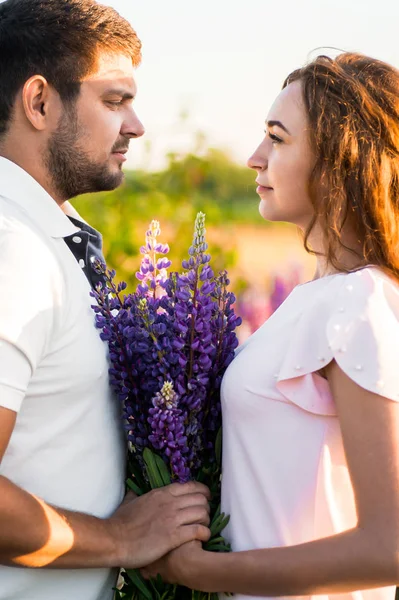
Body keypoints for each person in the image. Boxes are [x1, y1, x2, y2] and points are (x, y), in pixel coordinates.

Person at [141, 52, 399, 599]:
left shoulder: (359, 301)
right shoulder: (323, 296)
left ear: (339, 162)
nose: (255, 158)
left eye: (277, 139)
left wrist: (198, 570)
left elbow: (389, 546)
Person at [0, 1, 210, 599]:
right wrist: (119, 539)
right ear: (39, 102)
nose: (138, 125)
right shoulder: (12, 250)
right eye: (114, 101)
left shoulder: (47, 236)